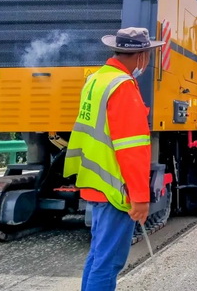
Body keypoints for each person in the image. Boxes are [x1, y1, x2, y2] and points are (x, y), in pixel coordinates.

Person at [64, 27, 164, 291]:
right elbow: (132, 148)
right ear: (141, 56)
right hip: (115, 187)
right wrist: (140, 197)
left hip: (96, 181)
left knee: (98, 256)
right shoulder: (123, 86)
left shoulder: (97, 79)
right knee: (108, 263)